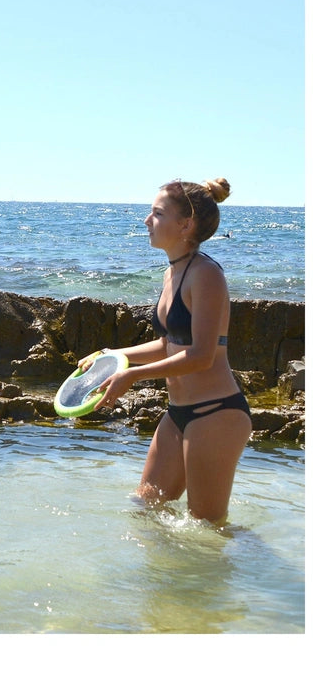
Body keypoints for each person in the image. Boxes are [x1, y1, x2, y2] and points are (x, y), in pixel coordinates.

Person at [83, 177, 251, 525]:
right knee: (144, 509)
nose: (147, 220)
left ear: (185, 225)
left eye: (157, 213)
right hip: (177, 414)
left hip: (216, 414)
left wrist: (132, 375)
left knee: (207, 528)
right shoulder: (172, 273)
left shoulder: (206, 274)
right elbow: (168, 345)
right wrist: (112, 355)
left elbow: (201, 355)